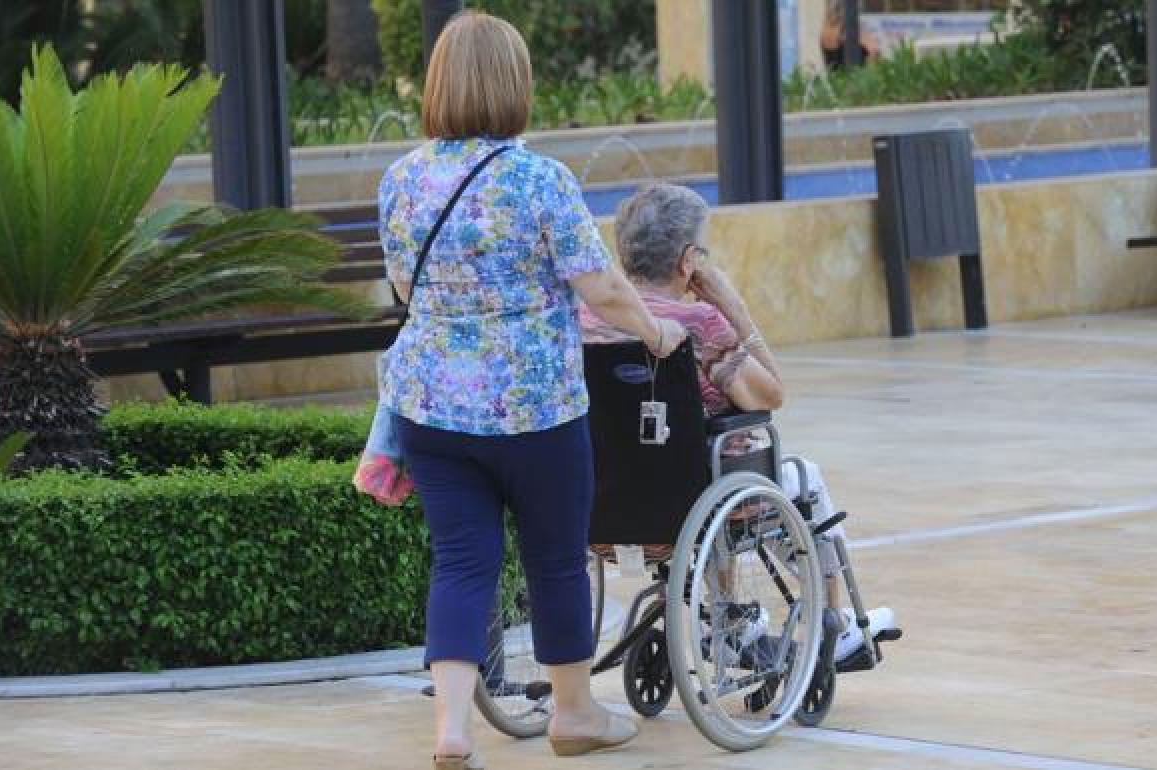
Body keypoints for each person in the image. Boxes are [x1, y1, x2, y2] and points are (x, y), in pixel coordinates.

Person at [376, 13, 686, 770]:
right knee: (554, 559)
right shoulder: (540, 179)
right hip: (535, 411)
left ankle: (453, 730)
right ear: (517, 85)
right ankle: (574, 714)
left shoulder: (402, 179)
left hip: (433, 410)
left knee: (461, 562)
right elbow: (603, 287)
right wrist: (655, 331)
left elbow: (400, 286)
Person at [580, 184, 897, 664]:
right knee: (800, 478)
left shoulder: (587, 318)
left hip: (605, 495)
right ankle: (838, 623)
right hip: (696, 491)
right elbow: (770, 393)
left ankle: (732, 622)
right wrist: (734, 307)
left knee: (699, 469)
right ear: (689, 261)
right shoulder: (701, 322)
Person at [821, 0, 881, 71]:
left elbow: (874, 53)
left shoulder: (859, 32)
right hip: (845, 75)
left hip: (858, 74)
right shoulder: (831, 32)